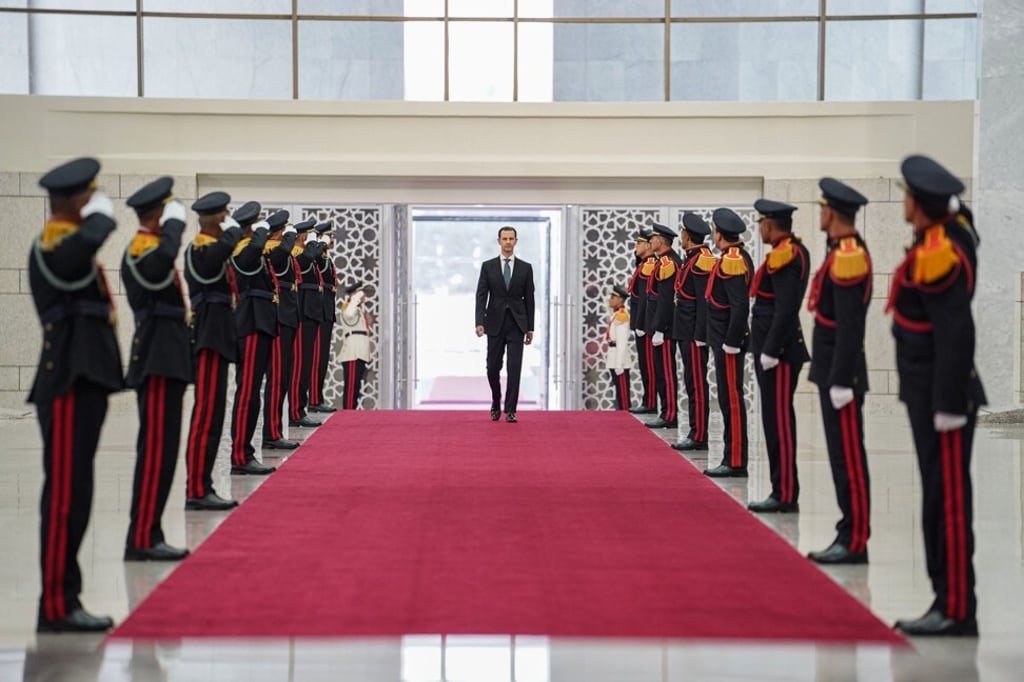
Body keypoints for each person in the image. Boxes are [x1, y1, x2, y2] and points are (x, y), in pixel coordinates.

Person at [889, 155, 985, 637]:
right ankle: (946, 599)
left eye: (907, 194)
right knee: (938, 497)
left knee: (947, 501)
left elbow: (955, 330)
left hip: (942, 397)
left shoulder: (943, 248)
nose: (903, 201)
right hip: (929, 393)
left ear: (920, 204)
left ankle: (955, 607)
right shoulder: (937, 240)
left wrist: (948, 403)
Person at [30, 157, 123, 632]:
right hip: (66, 379)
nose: (95, 202)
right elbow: (78, 252)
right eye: (90, 195)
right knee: (65, 495)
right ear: (74, 199)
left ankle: (67, 598)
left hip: (84, 378)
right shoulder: (54, 242)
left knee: (78, 493)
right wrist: (102, 217)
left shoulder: (69, 241)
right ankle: (54, 605)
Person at [120, 177, 191, 561]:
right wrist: (176, 228)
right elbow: (163, 262)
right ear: (158, 214)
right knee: (156, 451)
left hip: (167, 357)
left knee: (163, 452)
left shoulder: (149, 248)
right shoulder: (142, 249)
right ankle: (143, 537)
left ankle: (150, 532)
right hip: (156, 358)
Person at [806, 177, 872, 563]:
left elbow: (850, 324)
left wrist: (843, 378)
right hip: (832, 370)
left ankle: (856, 537)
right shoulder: (838, 250)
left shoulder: (849, 255)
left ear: (831, 212)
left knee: (849, 456)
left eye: (822, 208)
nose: (820, 213)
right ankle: (847, 531)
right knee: (839, 455)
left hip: (841, 374)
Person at [747, 199, 811, 513]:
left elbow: (786, 309)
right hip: (772, 350)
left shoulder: (788, 254)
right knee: (774, 420)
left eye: (761, 224)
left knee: (780, 422)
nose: (759, 229)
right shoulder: (785, 251)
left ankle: (785, 493)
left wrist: (771, 350)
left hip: (781, 353)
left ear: (770, 225)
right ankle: (780, 488)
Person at [182, 191, 243, 511]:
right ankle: (195, 488)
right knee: (205, 415)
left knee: (214, 415)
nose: (227, 221)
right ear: (213, 219)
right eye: (224, 216)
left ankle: (203, 485)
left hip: (218, 336)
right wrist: (232, 230)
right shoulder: (200, 249)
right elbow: (217, 256)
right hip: (206, 336)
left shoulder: (212, 249)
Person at [702, 208, 753, 478]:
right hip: (722, 341)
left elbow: (739, 305)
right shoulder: (732, 257)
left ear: (719, 234)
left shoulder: (733, 260)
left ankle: (735, 461)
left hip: (729, 343)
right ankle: (731, 457)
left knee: (731, 400)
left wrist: (732, 341)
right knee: (726, 399)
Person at [228, 202, 277, 475]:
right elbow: (250, 258)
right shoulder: (241, 251)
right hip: (251, 324)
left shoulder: (249, 249)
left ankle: (245, 452)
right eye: (257, 223)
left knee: (252, 393)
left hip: (261, 323)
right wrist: (260, 233)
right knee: (247, 393)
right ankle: (240, 456)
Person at [475, 226, 536, 423]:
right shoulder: (488, 266)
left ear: (516, 241)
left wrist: (530, 327)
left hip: (517, 324)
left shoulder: (525, 268)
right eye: (505, 238)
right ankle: (496, 400)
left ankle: (511, 409)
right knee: (492, 367)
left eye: (511, 238)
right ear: (499, 241)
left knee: (514, 367)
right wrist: (479, 322)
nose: (508, 242)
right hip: (494, 323)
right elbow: (481, 295)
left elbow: (530, 299)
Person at [671, 213, 716, 452]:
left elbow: (703, 302)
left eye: (682, 233)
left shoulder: (702, 260)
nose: (681, 236)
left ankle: (699, 434)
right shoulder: (692, 259)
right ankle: (694, 430)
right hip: (685, 330)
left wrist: (701, 335)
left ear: (688, 236)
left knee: (697, 383)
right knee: (691, 381)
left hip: (694, 333)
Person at [261, 210, 300, 450]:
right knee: (276, 378)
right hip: (278, 317)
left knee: (282, 377)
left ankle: (275, 430)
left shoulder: (278, 249)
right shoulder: (271, 250)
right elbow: (283, 252)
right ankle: (271, 433)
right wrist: (288, 236)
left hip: (288, 316)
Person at [644, 223, 684, 429]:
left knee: (667, 372)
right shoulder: (663, 261)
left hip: (666, 328)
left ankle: (670, 414)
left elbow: (666, 299)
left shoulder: (669, 263)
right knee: (661, 371)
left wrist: (659, 327)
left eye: (653, 238)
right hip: (658, 325)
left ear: (661, 241)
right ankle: (665, 411)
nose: (651, 241)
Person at [289, 219, 326, 428]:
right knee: (299, 365)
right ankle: (295, 409)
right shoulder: (296, 254)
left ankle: (300, 408)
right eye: (309, 235)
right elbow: (306, 260)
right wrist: (313, 244)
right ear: (302, 236)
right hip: (302, 313)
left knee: (307, 363)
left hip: (311, 313)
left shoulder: (306, 255)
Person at [627, 228, 658, 415]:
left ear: (648, 245)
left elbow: (646, 298)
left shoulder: (650, 264)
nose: (635, 247)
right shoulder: (643, 263)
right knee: (645, 364)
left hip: (646, 324)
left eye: (639, 243)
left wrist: (641, 324)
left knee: (649, 365)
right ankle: (648, 399)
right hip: (641, 323)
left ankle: (651, 401)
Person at [310, 221, 339, 413]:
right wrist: (318, 243)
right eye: (329, 236)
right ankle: (313, 398)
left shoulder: (326, 258)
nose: (332, 240)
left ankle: (317, 396)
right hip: (319, 312)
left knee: (322, 358)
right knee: (316, 357)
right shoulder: (316, 257)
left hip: (327, 311)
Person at [338, 282, 372, 409]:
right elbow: (348, 314)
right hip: (353, 352)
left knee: (356, 385)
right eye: (361, 294)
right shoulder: (349, 307)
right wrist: (355, 298)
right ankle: (347, 411)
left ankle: (351, 410)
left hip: (360, 352)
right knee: (351, 384)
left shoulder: (359, 310)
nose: (363, 297)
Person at [604, 284, 632, 410]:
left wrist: (619, 364)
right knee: (618, 391)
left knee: (623, 395)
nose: (610, 299)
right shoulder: (615, 314)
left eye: (613, 297)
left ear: (621, 299)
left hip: (619, 359)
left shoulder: (622, 315)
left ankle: (626, 416)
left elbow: (622, 342)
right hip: (613, 356)